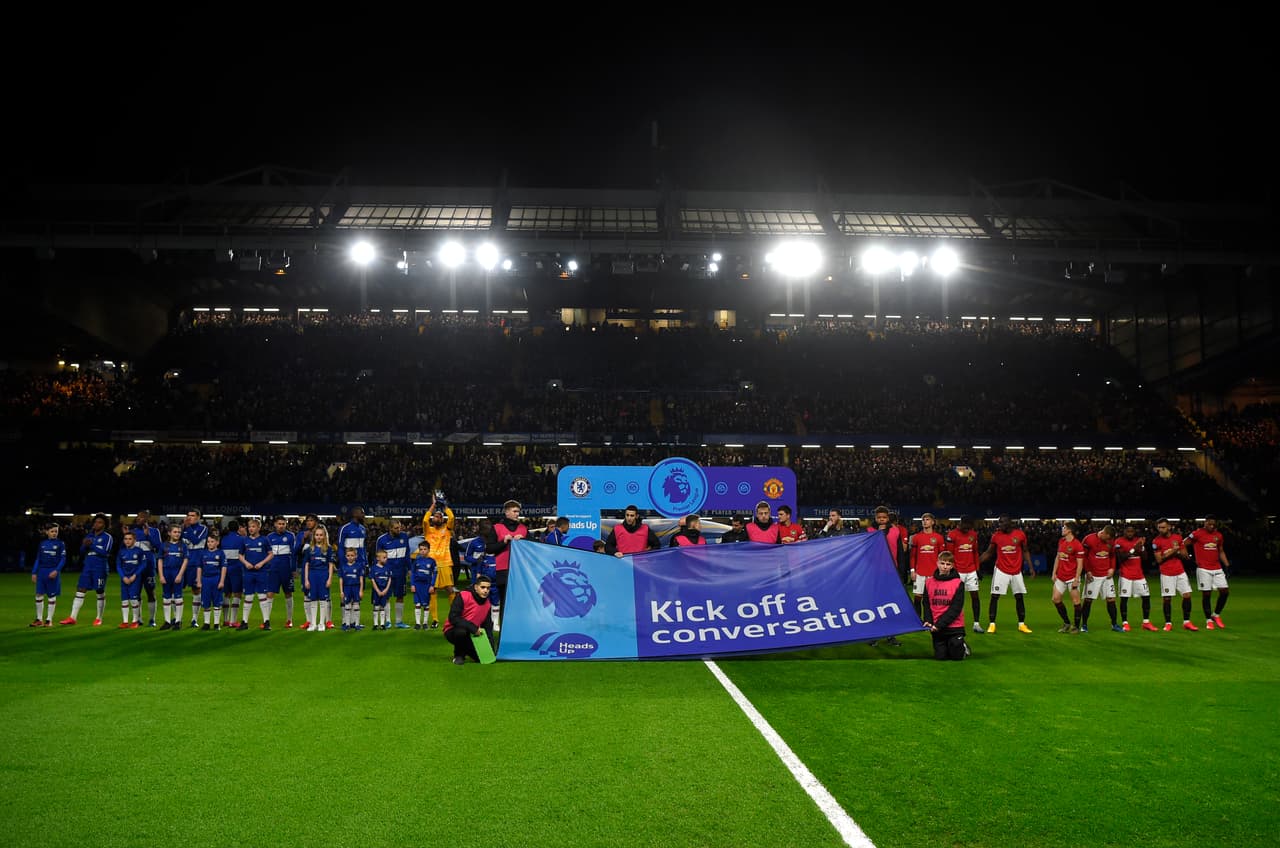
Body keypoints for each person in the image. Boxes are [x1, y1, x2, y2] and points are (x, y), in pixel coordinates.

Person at [979, 515, 1034, 634]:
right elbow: (989, 553)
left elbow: (1025, 551)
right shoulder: (996, 536)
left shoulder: (1020, 535)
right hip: (1001, 570)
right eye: (999, 522)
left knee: (1019, 596)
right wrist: (976, 563)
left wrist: (1030, 567)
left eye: (1002, 522)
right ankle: (992, 624)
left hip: (1016, 571)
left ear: (1009, 523)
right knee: (995, 596)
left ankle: (1021, 624)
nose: (1000, 525)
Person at [62, 513, 112, 626]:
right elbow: (81, 552)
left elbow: (106, 553)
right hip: (87, 567)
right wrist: (85, 545)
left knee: (99, 591)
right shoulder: (89, 536)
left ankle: (99, 618)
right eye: (95, 522)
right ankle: (72, 617)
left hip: (100, 568)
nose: (96, 524)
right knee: (80, 589)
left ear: (104, 525)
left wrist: (92, 545)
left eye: (100, 522)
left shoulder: (107, 537)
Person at [484, 500, 528, 630]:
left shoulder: (523, 529)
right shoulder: (497, 528)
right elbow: (489, 549)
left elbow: (533, 547)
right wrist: (503, 542)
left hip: (520, 571)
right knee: (505, 601)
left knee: (519, 602)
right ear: (507, 512)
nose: (517, 514)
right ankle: (505, 629)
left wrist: (525, 541)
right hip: (503, 570)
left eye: (518, 511)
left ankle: (518, 628)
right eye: (514, 511)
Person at [1184, 515, 1231, 629]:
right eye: (1209, 523)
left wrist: (1227, 565)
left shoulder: (1218, 535)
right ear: (1205, 523)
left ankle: (1216, 615)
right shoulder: (1197, 533)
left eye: (1213, 524)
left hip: (1217, 567)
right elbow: (1184, 543)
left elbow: (1220, 551)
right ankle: (1208, 620)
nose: (1211, 525)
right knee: (1206, 594)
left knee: (1225, 592)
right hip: (1203, 568)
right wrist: (1187, 557)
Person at [922, 552, 969, 660]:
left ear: (952, 566)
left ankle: (962, 645)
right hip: (937, 628)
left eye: (948, 564)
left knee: (956, 657)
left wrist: (939, 624)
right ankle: (952, 645)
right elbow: (926, 603)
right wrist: (928, 620)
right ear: (937, 563)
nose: (944, 566)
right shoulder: (929, 582)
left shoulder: (958, 583)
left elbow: (956, 608)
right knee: (941, 657)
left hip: (954, 626)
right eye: (942, 563)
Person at [1152, 518, 1197, 631]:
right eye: (1159, 527)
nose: (1161, 529)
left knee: (1187, 595)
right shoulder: (1156, 541)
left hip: (1180, 571)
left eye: (1163, 527)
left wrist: (1175, 551)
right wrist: (1173, 551)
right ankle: (1168, 623)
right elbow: (1159, 560)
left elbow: (1185, 555)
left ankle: (1186, 622)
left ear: (1169, 527)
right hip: (1166, 573)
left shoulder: (1177, 538)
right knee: (1167, 598)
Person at [423, 498, 459, 629]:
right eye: (435, 516)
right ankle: (435, 619)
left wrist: (445, 508)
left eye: (439, 516)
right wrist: (432, 506)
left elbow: (452, 517)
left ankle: (456, 616)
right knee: (432, 591)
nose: (437, 517)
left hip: (445, 564)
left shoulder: (447, 529)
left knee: (450, 589)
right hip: (432, 565)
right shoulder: (428, 530)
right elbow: (425, 520)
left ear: (442, 520)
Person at [445, 574, 495, 665]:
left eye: (488, 588)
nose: (485, 591)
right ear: (476, 587)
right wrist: (473, 628)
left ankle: (466, 649)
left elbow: (488, 628)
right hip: (452, 630)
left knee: (480, 659)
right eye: (483, 587)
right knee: (461, 632)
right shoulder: (463, 596)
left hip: (472, 634)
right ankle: (459, 655)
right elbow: (453, 618)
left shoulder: (487, 604)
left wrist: (491, 650)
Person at [1114, 523, 1156, 632]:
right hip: (1125, 575)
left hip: (1139, 575)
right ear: (1124, 532)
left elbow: (1145, 557)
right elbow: (1120, 559)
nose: (1130, 533)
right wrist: (1134, 549)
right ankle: (1125, 623)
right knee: (1124, 598)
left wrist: (1141, 548)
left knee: (1146, 597)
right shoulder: (1118, 541)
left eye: (1132, 531)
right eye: (1128, 531)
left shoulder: (1138, 541)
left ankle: (1146, 622)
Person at [946, 516, 984, 633]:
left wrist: (977, 569)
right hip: (958, 571)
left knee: (975, 596)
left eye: (969, 528)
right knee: (955, 598)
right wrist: (951, 571)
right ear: (961, 523)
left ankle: (976, 624)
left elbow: (975, 552)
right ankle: (953, 622)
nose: (967, 530)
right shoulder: (952, 535)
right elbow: (949, 555)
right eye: (966, 527)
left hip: (971, 570)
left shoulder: (973, 534)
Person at [1080, 525, 1120, 633]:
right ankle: (1084, 625)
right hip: (1093, 575)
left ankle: (1114, 624)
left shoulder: (1111, 541)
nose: (1109, 541)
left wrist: (1112, 568)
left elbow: (1112, 555)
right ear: (1103, 533)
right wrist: (1087, 570)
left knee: (1111, 599)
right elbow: (1083, 557)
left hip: (1106, 576)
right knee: (1088, 600)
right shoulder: (1089, 539)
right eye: (1107, 538)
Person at [375, 518, 412, 629]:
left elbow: (407, 554)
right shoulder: (381, 540)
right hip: (386, 574)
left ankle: (399, 621)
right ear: (390, 528)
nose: (399, 530)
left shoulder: (404, 537)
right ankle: (387, 621)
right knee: (386, 596)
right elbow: (377, 557)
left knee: (400, 596)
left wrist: (409, 569)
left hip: (401, 573)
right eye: (396, 528)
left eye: (400, 527)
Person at [240, 518, 275, 631]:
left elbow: (271, 554)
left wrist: (262, 563)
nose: (251, 528)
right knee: (248, 596)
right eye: (249, 526)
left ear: (258, 528)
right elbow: (240, 555)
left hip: (262, 572)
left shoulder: (264, 540)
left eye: (253, 526)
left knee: (262, 596)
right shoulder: (245, 540)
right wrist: (246, 563)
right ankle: (244, 622)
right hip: (249, 572)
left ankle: (266, 621)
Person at [128, 511, 162, 627]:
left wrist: (148, 536)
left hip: (149, 566)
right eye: (138, 516)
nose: (139, 518)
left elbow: (158, 548)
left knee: (150, 592)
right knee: (135, 593)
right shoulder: (132, 532)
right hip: (135, 567)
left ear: (148, 518)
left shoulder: (154, 531)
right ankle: (138, 619)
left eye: (142, 517)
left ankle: (152, 619)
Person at [909, 513, 945, 620]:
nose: (925, 521)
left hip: (933, 573)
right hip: (919, 572)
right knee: (917, 597)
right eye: (923, 520)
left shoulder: (938, 538)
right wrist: (912, 570)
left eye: (927, 519)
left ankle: (928, 619)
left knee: (930, 599)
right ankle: (917, 620)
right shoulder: (917, 537)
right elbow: (912, 556)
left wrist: (941, 571)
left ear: (933, 522)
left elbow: (942, 557)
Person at [1051, 521, 1085, 633]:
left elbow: (1080, 564)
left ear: (1069, 530)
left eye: (1064, 528)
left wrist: (1076, 579)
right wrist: (1054, 573)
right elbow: (1058, 557)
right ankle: (1066, 623)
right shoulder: (1061, 541)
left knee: (1075, 601)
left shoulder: (1077, 545)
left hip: (1072, 577)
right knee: (1055, 599)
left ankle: (1076, 626)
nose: (1062, 529)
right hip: (1060, 576)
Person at [302, 525, 337, 633]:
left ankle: (322, 623)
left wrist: (330, 579)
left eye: (321, 535)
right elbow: (306, 565)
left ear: (324, 536)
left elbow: (331, 565)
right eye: (317, 535)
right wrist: (306, 580)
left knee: (323, 600)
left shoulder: (329, 549)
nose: (319, 537)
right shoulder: (309, 549)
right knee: (313, 600)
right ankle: (313, 623)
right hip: (312, 575)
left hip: (323, 575)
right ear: (314, 536)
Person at [266, 516, 298, 628]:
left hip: (286, 569)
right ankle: (266, 620)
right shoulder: (269, 537)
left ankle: (289, 620)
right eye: (279, 523)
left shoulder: (290, 536)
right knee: (269, 594)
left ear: (286, 524)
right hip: (273, 570)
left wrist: (293, 569)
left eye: (283, 524)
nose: (281, 526)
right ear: (275, 524)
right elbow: (267, 554)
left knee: (288, 593)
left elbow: (293, 554)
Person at [33, 522, 66, 627]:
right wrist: (34, 572)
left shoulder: (60, 544)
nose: (54, 533)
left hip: (53, 571)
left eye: (56, 531)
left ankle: (49, 620)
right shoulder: (42, 544)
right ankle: (39, 619)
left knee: (51, 596)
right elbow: (38, 558)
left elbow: (63, 559)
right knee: (39, 594)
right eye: (52, 531)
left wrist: (57, 570)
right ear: (47, 532)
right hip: (42, 572)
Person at [180, 509, 208, 629]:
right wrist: (182, 528)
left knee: (196, 590)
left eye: (192, 515)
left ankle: (194, 619)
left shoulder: (203, 528)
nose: (189, 517)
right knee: (175, 591)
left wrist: (188, 528)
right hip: (182, 564)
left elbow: (196, 540)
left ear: (198, 517)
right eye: (188, 515)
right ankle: (177, 619)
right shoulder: (182, 529)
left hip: (196, 564)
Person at [157, 524, 188, 629]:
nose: (177, 534)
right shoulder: (164, 545)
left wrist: (180, 574)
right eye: (175, 532)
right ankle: (167, 621)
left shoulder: (183, 545)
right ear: (169, 533)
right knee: (166, 598)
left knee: (178, 597)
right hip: (166, 572)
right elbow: (160, 560)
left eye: (179, 532)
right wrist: (161, 575)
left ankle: (178, 621)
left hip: (177, 572)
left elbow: (185, 560)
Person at [197, 532, 227, 630]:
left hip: (216, 579)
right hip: (205, 580)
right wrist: (199, 580)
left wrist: (222, 581)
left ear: (217, 542)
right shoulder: (203, 553)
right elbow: (199, 567)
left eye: (212, 541)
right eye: (208, 542)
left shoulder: (220, 553)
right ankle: (206, 623)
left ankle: (217, 624)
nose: (209, 543)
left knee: (217, 602)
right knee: (206, 601)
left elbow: (223, 567)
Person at [220, 519, 247, 630]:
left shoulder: (223, 539)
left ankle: (225, 620)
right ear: (238, 528)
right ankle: (233, 621)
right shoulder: (241, 539)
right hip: (236, 568)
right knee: (237, 593)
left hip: (225, 568)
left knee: (227, 593)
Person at [116, 531, 146, 628]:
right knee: (124, 600)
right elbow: (118, 566)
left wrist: (135, 575)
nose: (127, 541)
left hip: (135, 579)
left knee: (134, 600)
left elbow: (143, 564)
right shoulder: (121, 552)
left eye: (130, 539)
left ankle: (135, 621)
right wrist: (123, 576)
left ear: (134, 540)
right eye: (125, 539)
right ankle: (125, 622)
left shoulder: (139, 551)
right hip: (124, 578)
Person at [410, 542, 438, 630]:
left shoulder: (432, 561)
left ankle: (425, 623)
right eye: (421, 549)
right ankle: (418, 623)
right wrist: (412, 584)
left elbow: (435, 573)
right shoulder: (416, 561)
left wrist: (432, 585)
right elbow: (413, 573)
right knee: (417, 604)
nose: (422, 551)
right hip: (417, 585)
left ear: (429, 550)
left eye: (425, 549)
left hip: (427, 585)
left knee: (426, 605)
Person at [339, 547, 365, 632]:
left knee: (356, 605)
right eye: (348, 555)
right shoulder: (343, 566)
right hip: (347, 588)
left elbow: (361, 580)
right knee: (347, 605)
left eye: (352, 555)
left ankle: (357, 624)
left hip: (356, 587)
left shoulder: (359, 566)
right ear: (346, 556)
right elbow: (341, 579)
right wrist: (341, 591)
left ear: (356, 556)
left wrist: (361, 590)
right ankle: (347, 624)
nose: (350, 557)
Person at [369, 549, 394, 630]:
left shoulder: (387, 568)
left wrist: (386, 590)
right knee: (376, 607)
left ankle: (382, 624)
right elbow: (372, 580)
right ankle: (376, 624)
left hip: (384, 590)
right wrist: (378, 590)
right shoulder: (373, 568)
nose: (386, 559)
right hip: (377, 591)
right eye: (384, 557)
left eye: (386, 557)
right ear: (378, 558)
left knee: (383, 606)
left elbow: (389, 579)